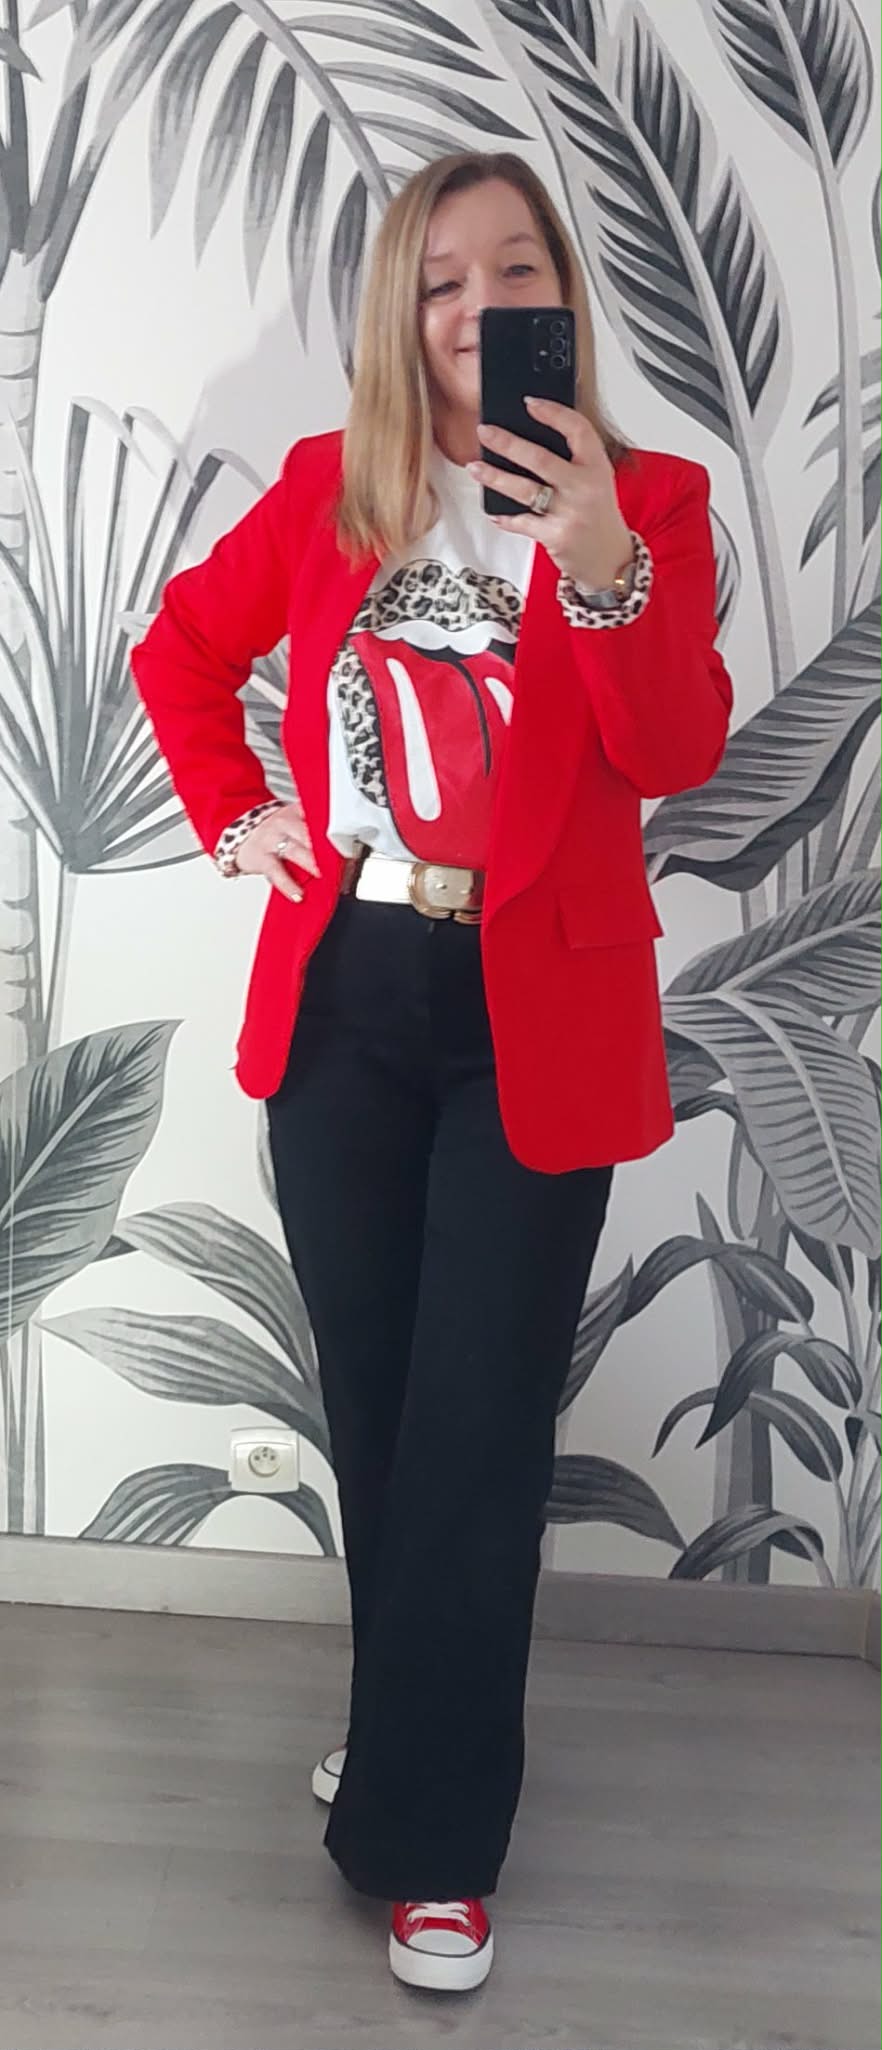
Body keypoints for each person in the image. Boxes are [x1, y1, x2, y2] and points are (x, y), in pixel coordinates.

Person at [132, 148, 732, 1995]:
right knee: (386, 1409)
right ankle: (407, 1748)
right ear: (402, 313)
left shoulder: (652, 501)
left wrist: (601, 564)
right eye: (440, 278)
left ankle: (433, 1848)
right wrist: (235, 816)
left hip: (536, 1006)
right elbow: (180, 650)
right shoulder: (336, 488)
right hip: (347, 991)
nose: (479, 305)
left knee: (477, 1424)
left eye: (513, 268)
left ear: (562, 294)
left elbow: (676, 749)